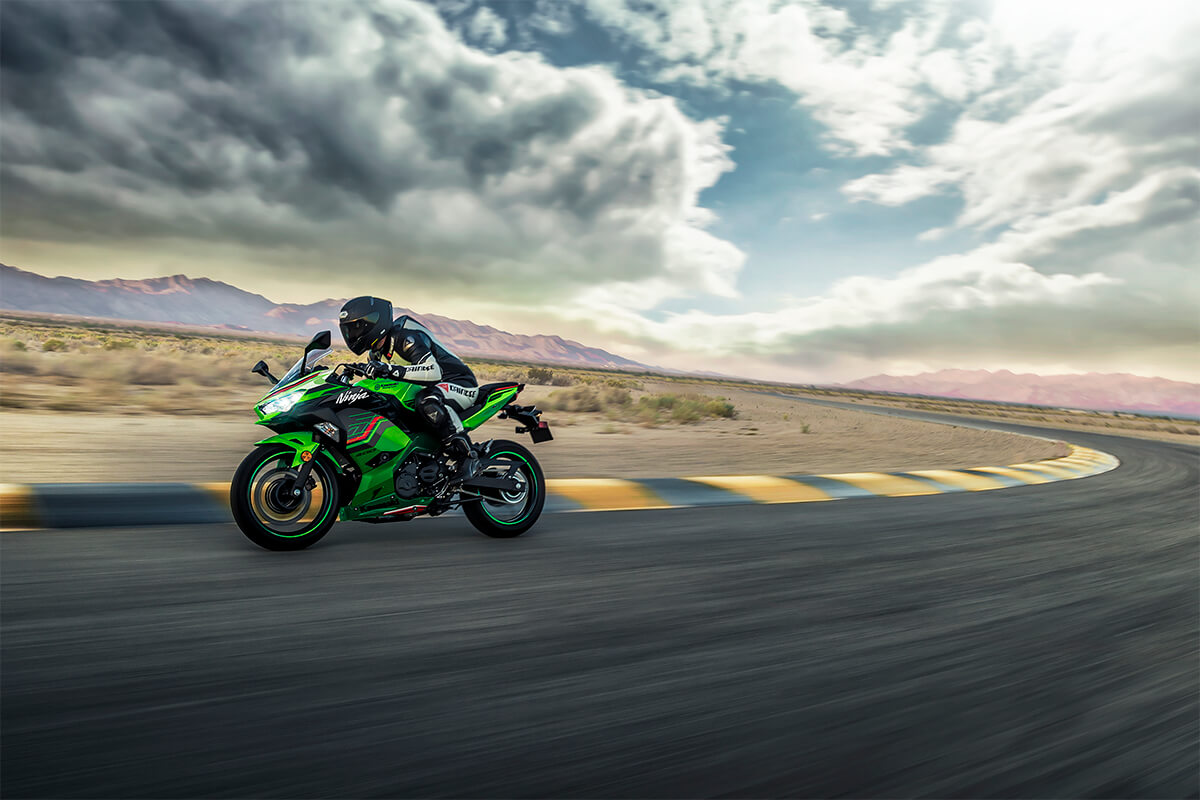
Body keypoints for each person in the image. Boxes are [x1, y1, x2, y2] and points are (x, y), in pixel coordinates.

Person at [337, 296, 480, 481]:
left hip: (458, 382)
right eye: (348, 329)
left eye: (356, 327)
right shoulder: (375, 353)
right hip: (430, 387)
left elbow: (433, 372)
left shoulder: (405, 337)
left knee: (426, 401)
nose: (352, 334)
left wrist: (390, 369)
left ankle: (467, 456)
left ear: (373, 323)